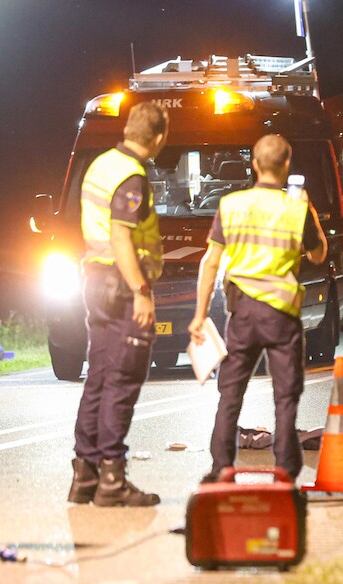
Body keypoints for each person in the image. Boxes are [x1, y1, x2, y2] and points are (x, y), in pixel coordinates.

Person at [189, 134, 327, 483]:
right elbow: (319, 253)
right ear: (285, 166)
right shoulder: (296, 206)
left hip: (242, 313)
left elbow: (210, 262)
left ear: (254, 164)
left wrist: (199, 313)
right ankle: (284, 471)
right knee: (285, 395)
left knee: (230, 393)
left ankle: (221, 469)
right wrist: (307, 218)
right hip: (280, 314)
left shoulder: (231, 205)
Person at [69, 102, 169, 507]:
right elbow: (121, 236)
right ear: (159, 137)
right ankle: (113, 477)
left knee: (99, 376)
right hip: (120, 285)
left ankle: (85, 475)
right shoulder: (132, 176)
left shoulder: (102, 164)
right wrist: (141, 291)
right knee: (123, 380)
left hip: (96, 280)